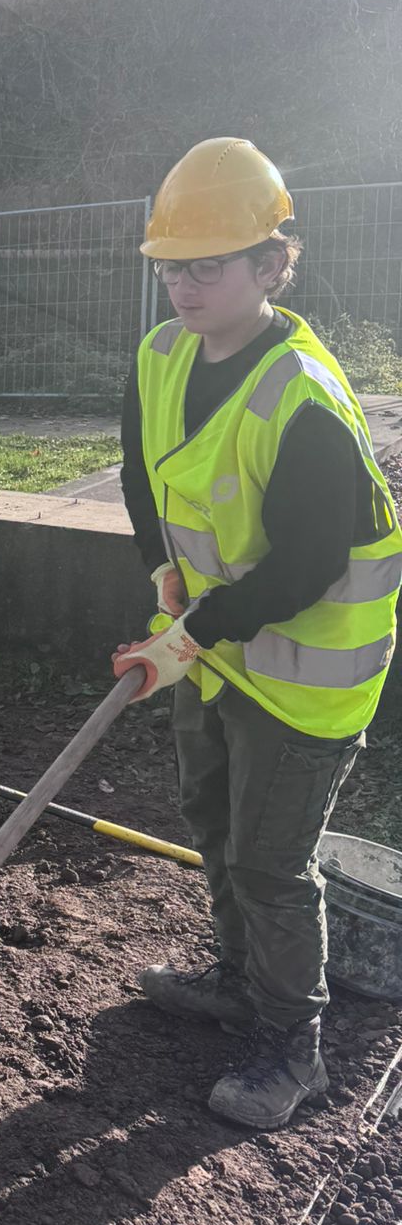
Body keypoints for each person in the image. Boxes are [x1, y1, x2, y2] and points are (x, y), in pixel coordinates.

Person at [112, 137, 401, 1130]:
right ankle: (238, 982)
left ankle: (293, 1049)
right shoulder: (161, 356)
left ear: (273, 264)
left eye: (209, 265)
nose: (183, 286)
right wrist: (161, 574)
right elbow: (142, 473)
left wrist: (202, 625)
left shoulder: (304, 397)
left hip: (306, 676)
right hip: (217, 652)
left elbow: (310, 560)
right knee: (213, 825)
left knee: (272, 865)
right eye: (170, 266)